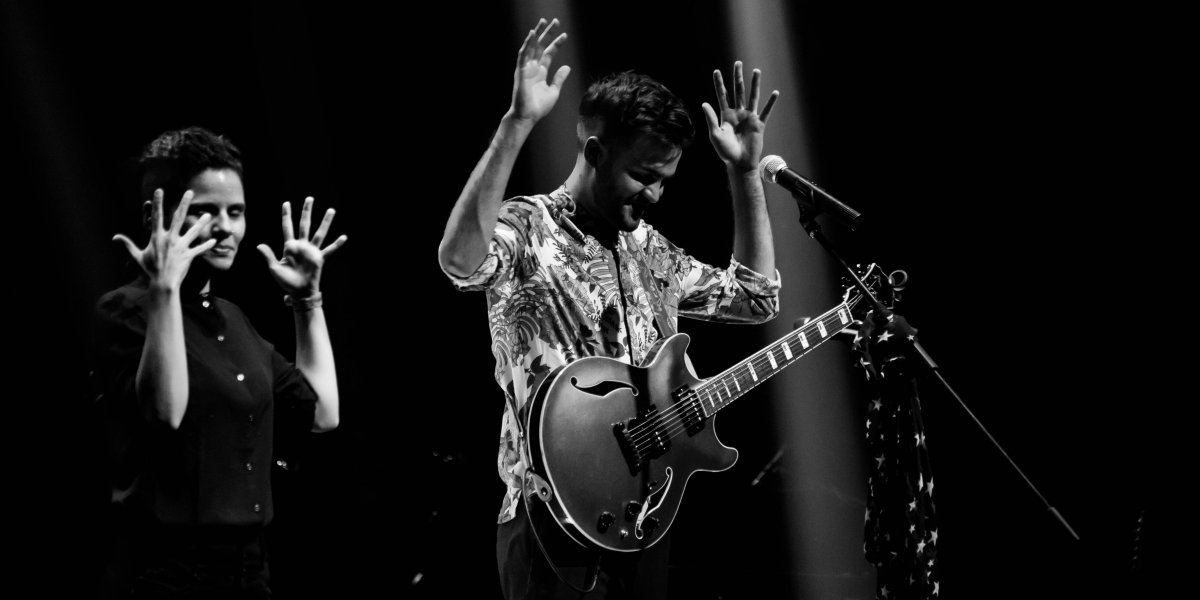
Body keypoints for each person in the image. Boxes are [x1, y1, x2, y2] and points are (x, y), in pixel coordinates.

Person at [438, 18, 783, 599]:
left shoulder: (649, 249)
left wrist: (745, 173)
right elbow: (459, 261)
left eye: (665, 181)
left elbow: (755, 299)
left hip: (640, 520)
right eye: (643, 176)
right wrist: (517, 123)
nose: (655, 195)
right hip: (552, 522)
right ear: (595, 151)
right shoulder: (528, 228)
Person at [92, 126, 347, 598]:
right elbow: (166, 412)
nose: (226, 227)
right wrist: (165, 287)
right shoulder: (126, 310)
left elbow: (322, 414)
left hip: (250, 572)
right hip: (167, 574)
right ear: (156, 215)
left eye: (236, 212)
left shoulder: (234, 319)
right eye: (206, 211)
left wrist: (308, 302)